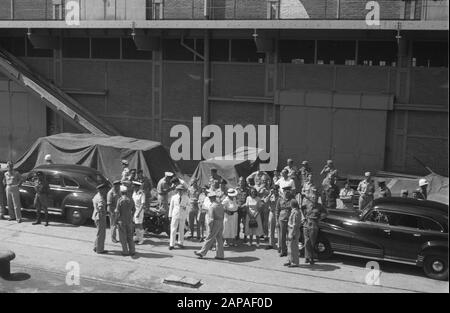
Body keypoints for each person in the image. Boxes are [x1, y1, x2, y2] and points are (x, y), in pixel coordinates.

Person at [194, 190, 225, 260]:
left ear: (212, 198)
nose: (210, 199)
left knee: (209, 238)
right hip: (220, 222)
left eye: (210, 198)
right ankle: (220, 255)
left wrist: (210, 228)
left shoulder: (212, 206)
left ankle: (202, 252)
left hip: (215, 223)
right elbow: (223, 215)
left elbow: (211, 219)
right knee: (219, 239)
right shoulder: (220, 205)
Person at [303, 188, 327, 265]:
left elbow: (325, 213)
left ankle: (311, 257)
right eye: (313, 197)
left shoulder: (320, 206)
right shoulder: (307, 204)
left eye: (316, 197)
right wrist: (304, 218)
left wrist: (319, 219)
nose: (314, 198)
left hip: (314, 224)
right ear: (310, 197)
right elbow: (301, 210)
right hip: (306, 223)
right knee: (306, 241)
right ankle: (307, 257)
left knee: (312, 242)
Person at [115, 185, 136, 256]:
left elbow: (117, 212)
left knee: (123, 237)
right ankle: (132, 251)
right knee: (130, 236)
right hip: (129, 221)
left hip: (122, 221)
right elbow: (134, 209)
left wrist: (115, 220)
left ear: (121, 192)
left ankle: (125, 251)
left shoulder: (120, 200)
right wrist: (131, 216)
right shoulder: (131, 199)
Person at [168, 185, 189, 250]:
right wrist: (170, 215)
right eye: (179, 190)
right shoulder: (174, 197)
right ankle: (172, 244)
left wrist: (186, 207)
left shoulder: (186, 197)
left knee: (181, 229)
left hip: (182, 214)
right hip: (175, 214)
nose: (180, 191)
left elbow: (189, 205)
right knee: (173, 229)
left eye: (181, 190)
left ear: (183, 190)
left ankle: (180, 243)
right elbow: (171, 206)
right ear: (177, 190)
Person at [284, 199, 304, 268]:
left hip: (293, 231)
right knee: (289, 246)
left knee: (294, 247)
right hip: (291, 230)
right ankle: (289, 260)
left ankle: (295, 262)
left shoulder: (296, 212)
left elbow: (295, 224)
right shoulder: (294, 211)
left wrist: (292, 234)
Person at [276, 186, 293, 257]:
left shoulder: (292, 200)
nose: (286, 193)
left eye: (288, 191)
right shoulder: (280, 199)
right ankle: (283, 251)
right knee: (282, 236)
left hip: (290, 220)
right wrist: (277, 221)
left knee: (290, 236)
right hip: (282, 219)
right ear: (283, 192)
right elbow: (277, 210)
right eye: (285, 191)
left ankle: (290, 251)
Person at [92, 183, 109, 254]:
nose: (106, 191)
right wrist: (105, 212)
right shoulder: (100, 198)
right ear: (101, 190)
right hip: (100, 217)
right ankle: (100, 249)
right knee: (101, 234)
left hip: (95, 216)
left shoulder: (96, 196)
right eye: (105, 190)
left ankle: (96, 247)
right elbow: (101, 207)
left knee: (99, 233)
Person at [264, 185, 280, 250]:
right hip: (271, 212)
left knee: (278, 229)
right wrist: (270, 194)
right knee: (271, 229)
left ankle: (279, 245)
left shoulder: (280, 196)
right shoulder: (271, 196)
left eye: (276, 189)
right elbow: (265, 201)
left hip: (278, 213)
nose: (275, 190)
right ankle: (271, 244)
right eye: (274, 189)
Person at [235, 177, 248, 243]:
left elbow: (249, 199)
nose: (241, 182)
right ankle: (237, 235)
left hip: (245, 209)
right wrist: (236, 205)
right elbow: (234, 199)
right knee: (237, 223)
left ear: (244, 182)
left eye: (242, 181)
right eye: (240, 181)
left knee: (245, 223)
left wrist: (244, 205)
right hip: (237, 209)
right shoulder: (236, 190)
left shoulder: (247, 190)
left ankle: (245, 237)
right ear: (238, 182)